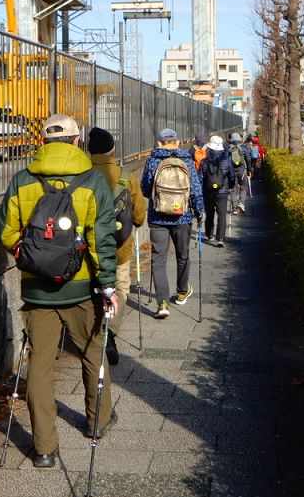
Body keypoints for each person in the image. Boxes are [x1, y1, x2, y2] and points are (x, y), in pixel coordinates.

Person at [0, 114, 119, 466]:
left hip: (37, 290)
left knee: (40, 365)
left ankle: (45, 448)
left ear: (43, 143)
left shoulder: (22, 180)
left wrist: (30, 256)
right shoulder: (93, 181)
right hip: (82, 288)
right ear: (78, 141)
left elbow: (4, 231)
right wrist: (107, 285)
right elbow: (101, 240)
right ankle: (97, 422)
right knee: (94, 352)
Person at [85, 126, 147, 365]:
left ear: (89, 151)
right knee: (119, 288)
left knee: (90, 288)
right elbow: (139, 216)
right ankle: (109, 332)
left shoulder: (82, 175)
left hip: (88, 249)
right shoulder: (125, 176)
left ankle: (90, 334)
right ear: (113, 149)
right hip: (119, 247)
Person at [140, 128, 203, 319]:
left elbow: (144, 190)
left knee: (158, 260)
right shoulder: (187, 161)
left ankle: (162, 303)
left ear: (159, 143)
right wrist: (200, 213)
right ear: (177, 142)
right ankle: (182, 291)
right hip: (182, 217)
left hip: (158, 218)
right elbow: (195, 191)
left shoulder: (152, 161)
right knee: (182, 255)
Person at [200, 134, 233, 247]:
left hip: (208, 191)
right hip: (222, 191)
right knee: (222, 214)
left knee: (209, 213)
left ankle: (209, 234)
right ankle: (220, 238)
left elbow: (201, 177)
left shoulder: (204, 162)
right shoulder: (227, 160)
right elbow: (231, 175)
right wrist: (230, 186)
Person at [229, 131, 250, 213]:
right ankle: (241, 203)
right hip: (242, 171)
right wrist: (249, 170)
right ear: (239, 139)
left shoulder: (229, 148)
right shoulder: (244, 147)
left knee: (233, 189)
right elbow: (248, 159)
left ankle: (234, 207)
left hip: (232, 172)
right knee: (244, 187)